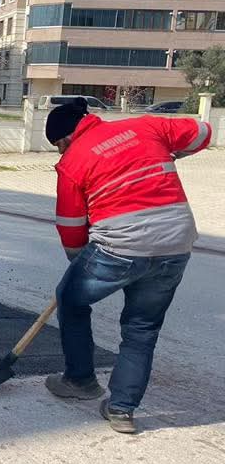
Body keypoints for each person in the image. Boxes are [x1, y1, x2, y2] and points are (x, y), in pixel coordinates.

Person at [44, 97, 212, 434]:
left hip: (119, 246)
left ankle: (80, 380)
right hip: (176, 240)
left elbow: (71, 225)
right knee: (142, 328)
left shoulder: (73, 161)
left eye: (58, 147)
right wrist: (170, 150)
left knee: (71, 298)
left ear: (64, 140)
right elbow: (202, 132)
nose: (60, 153)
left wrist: (79, 265)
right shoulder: (146, 126)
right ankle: (122, 409)